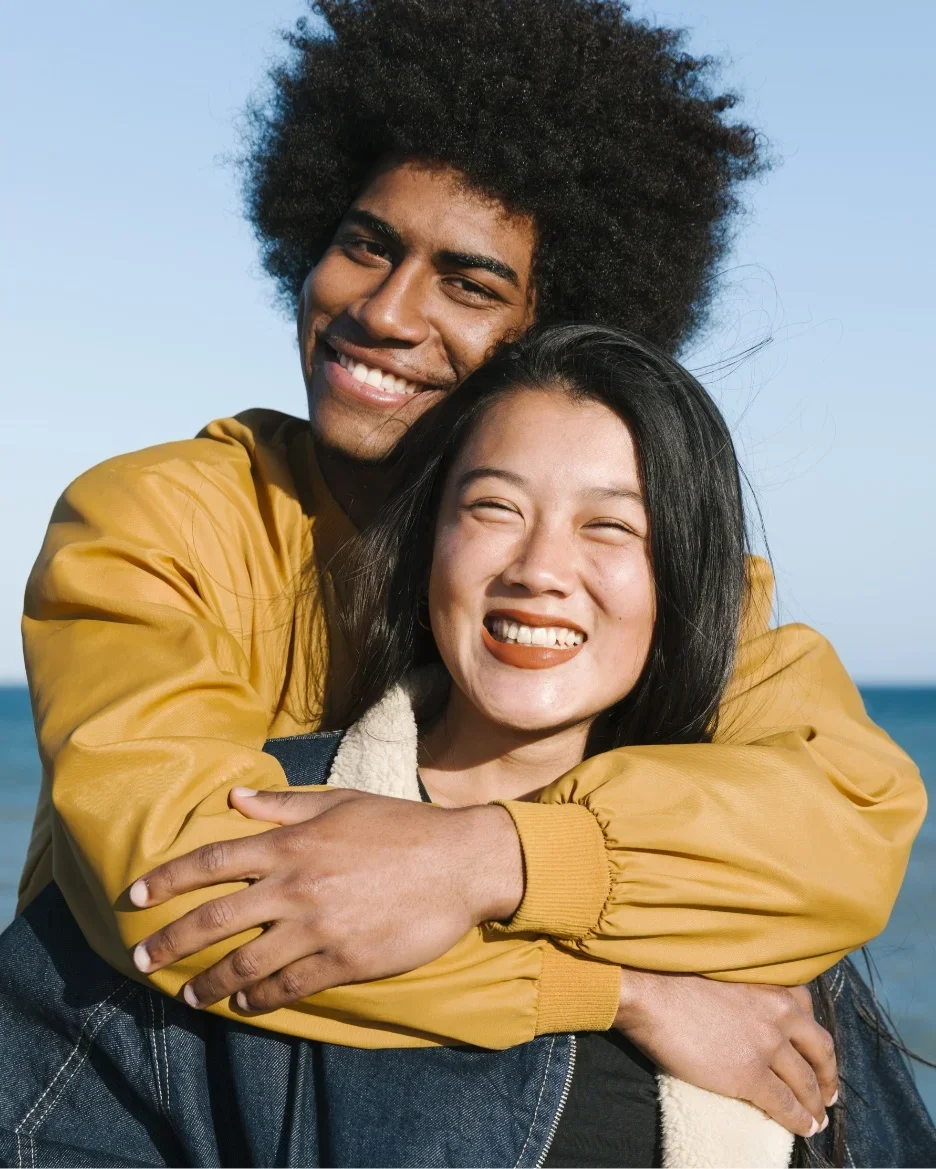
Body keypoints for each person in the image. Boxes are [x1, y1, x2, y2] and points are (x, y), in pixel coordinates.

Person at [15, 0, 924, 1144]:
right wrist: (622, 994)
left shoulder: (640, 586)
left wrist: (486, 855)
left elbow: (839, 815)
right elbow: (193, 897)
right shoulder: (154, 521)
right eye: (365, 243)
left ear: (560, 331)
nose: (384, 312)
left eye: (471, 284)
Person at [3, 326, 932, 1168]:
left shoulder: (756, 890)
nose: (538, 570)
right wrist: (618, 990)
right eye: (493, 508)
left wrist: (490, 859)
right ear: (428, 542)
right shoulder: (255, 836)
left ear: (688, 581)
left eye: (611, 525)